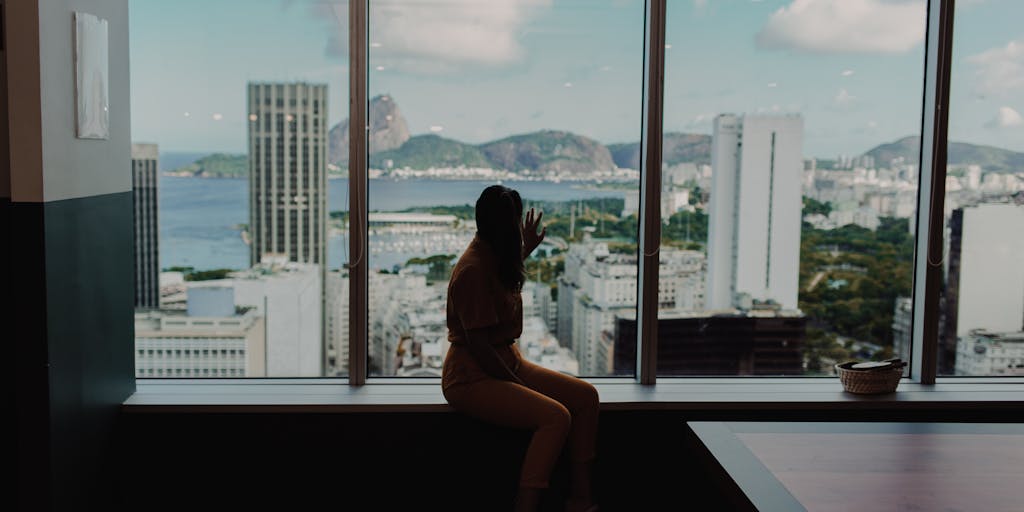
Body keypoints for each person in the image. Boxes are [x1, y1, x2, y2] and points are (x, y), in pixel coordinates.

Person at [442, 184, 600, 512]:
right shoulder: (473, 269)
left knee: (586, 398)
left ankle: (581, 498)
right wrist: (517, 385)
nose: (516, 228)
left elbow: (497, 288)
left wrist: (524, 250)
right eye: (513, 221)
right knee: (556, 417)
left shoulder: (491, 256)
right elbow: (480, 347)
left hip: (504, 362)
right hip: (472, 376)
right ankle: (526, 505)